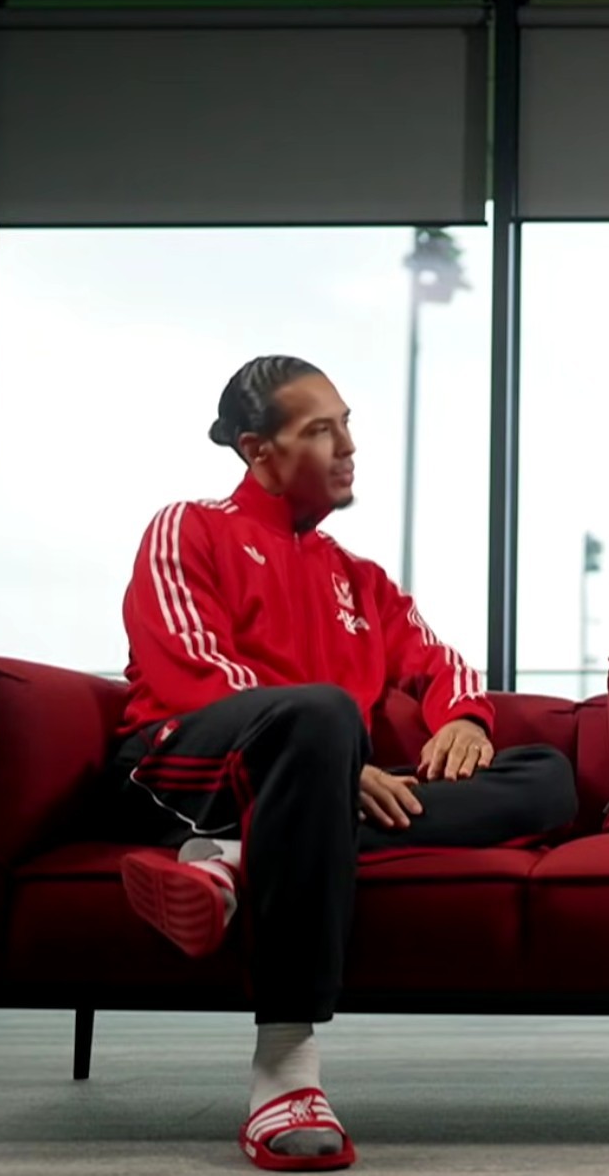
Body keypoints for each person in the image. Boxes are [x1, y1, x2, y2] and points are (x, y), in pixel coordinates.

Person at [102, 354, 577, 1172]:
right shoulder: (189, 526)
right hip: (182, 771)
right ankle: (285, 1071)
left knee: (547, 775)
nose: (348, 445)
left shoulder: (357, 578)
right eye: (322, 430)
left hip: (302, 795)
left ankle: (236, 859)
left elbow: (439, 660)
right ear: (259, 451)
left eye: (347, 424)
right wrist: (327, 758)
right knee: (322, 712)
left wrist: (464, 717)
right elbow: (192, 668)